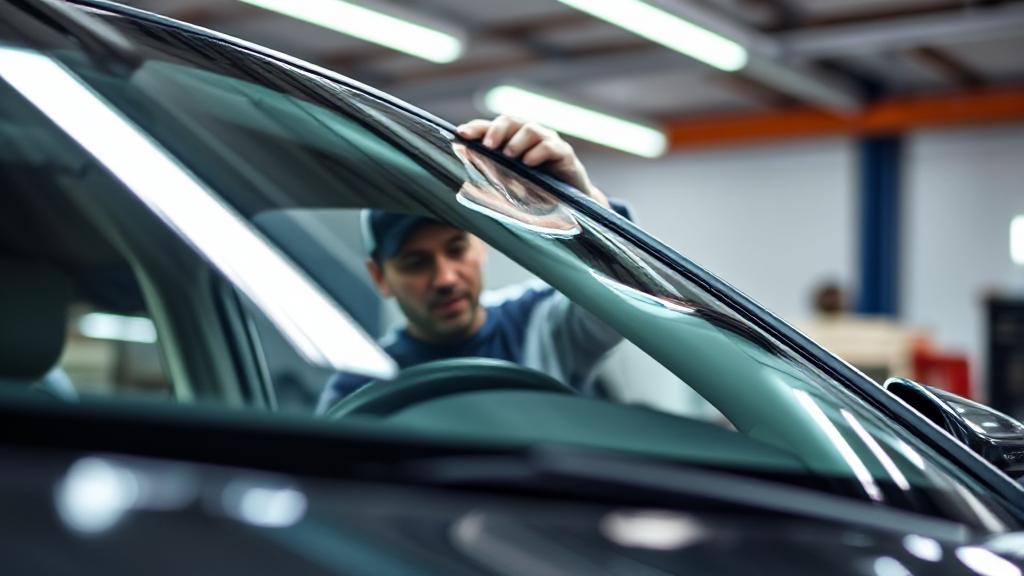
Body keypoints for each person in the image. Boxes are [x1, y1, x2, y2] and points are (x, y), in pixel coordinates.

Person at [315, 116, 625, 414]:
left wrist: (581, 200)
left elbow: (622, 298)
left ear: (481, 244)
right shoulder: (359, 385)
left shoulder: (540, 321)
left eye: (456, 249)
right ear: (380, 277)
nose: (446, 278)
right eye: (416, 263)